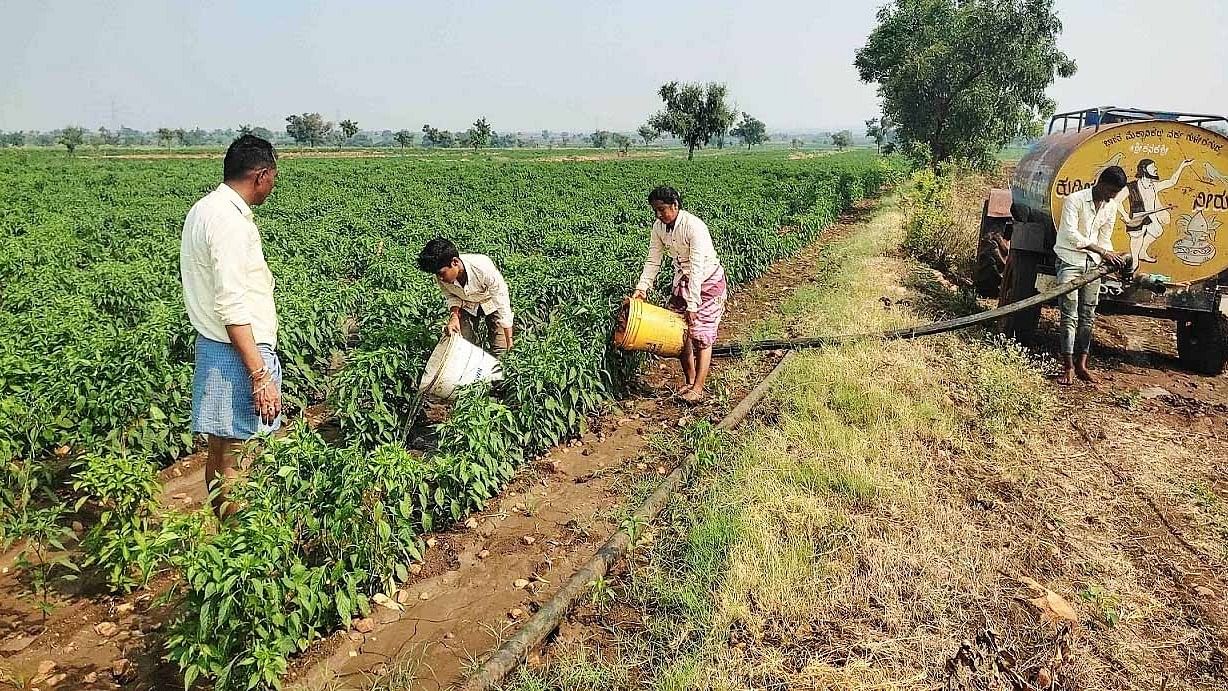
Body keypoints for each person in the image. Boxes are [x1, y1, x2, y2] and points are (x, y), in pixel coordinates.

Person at [180, 135, 282, 518]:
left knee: (220, 451)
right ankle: (245, 548)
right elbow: (232, 303)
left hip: (216, 347)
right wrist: (258, 374)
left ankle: (226, 535)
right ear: (260, 175)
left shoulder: (204, 210)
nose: (273, 184)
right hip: (238, 352)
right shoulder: (228, 222)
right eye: (273, 176)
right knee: (240, 456)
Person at [632, 186, 727, 404]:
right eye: (655, 210)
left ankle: (699, 387)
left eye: (662, 209)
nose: (658, 215)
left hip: (707, 282)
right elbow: (653, 259)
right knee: (679, 331)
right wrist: (642, 287)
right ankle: (691, 380)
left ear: (675, 205)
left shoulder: (694, 227)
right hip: (684, 281)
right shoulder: (659, 227)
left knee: (702, 335)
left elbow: (696, 267)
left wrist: (692, 305)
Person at [1053, 166, 1130, 385]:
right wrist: (1103, 252)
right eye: (1111, 191)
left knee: (1088, 314)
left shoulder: (1111, 206)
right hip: (1071, 261)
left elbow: (1105, 237)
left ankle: (1082, 365)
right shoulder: (1074, 200)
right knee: (1069, 314)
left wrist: (1109, 256)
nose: (1112, 196)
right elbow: (1070, 234)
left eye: (1116, 193)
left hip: (1094, 266)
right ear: (1101, 183)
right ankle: (1067, 366)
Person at [417, 238, 514, 355]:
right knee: (465, 345)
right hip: (466, 305)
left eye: (442, 273)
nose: (441, 279)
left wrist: (510, 342)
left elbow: (501, 301)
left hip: (490, 302)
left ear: (455, 262)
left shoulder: (482, 267)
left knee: (500, 348)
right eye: (437, 274)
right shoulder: (441, 276)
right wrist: (454, 317)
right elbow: (451, 296)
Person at [1124, 157, 1193, 264]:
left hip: (1150, 217)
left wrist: (1182, 166)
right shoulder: (1132, 186)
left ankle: (1142, 252)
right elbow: (1117, 200)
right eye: (1152, 167)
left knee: (1157, 231)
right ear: (1144, 170)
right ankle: (1134, 262)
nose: (1156, 168)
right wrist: (1125, 215)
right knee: (1137, 239)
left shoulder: (1153, 186)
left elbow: (1172, 182)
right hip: (1138, 217)